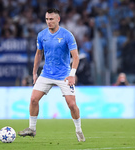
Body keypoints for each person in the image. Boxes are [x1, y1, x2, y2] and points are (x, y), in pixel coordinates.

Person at [18, 8, 85, 142]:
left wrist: (72, 74)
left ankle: (78, 129)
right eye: (47, 19)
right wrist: (34, 72)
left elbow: (75, 57)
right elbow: (38, 54)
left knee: (72, 105)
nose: (49, 22)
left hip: (64, 75)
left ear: (58, 19)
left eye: (51, 19)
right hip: (47, 73)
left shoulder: (67, 35)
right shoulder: (42, 35)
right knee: (33, 99)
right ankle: (32, 128)